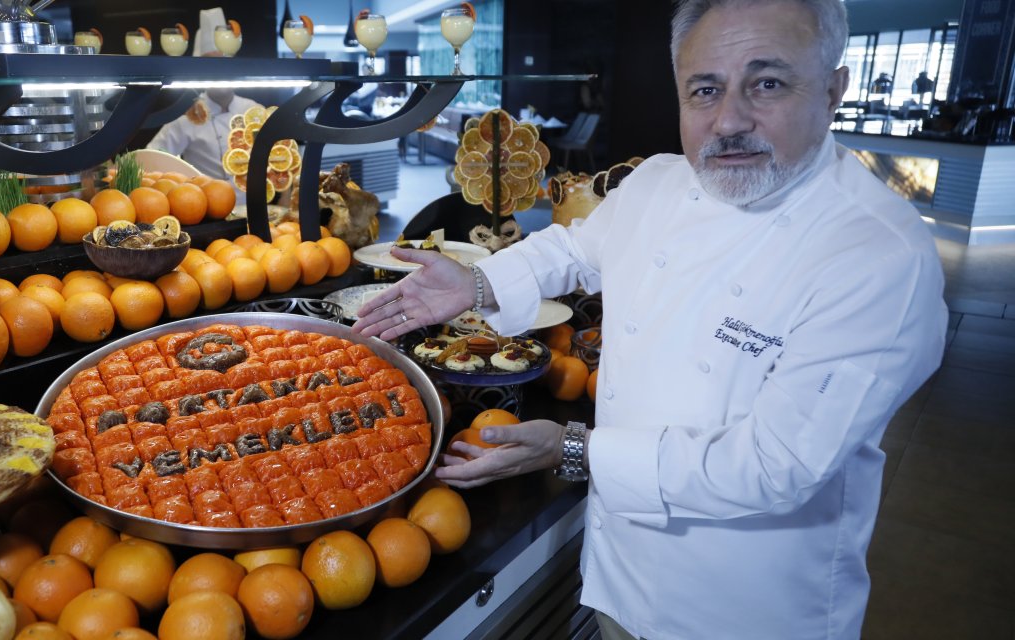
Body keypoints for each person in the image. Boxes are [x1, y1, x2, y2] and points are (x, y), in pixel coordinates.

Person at [354, 1, 947, 639]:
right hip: (618, 573)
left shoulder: (879, 256)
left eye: (767, 83)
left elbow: (775, 466)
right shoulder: (659, 182)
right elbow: (575, 249)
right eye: (705, 89)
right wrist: (476, 280)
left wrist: (572, 446)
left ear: (834, 89)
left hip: (743, 609)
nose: (729, 120)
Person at [146, 87, 262, 181]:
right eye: (213, 65)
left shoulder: (253, 110)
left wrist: (281, 198)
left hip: (253, 203)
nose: (220, 72)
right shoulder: (190, 113)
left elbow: (278, 151)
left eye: (223, 64)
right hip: (205, 203)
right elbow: (151, 157)